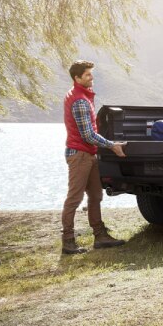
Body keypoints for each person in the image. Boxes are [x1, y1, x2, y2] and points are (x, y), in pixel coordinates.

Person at [61, 60, 128, 254]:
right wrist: (112, 145)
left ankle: (100, 236)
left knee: (96, 195)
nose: (92, 77)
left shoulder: (81, 95)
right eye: (88, 74)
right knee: (74, 198)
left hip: (88, 153)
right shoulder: (80, 101)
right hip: (80, 155)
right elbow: (88, 135)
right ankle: (68, 241)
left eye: (91, 73)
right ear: (77, 78)